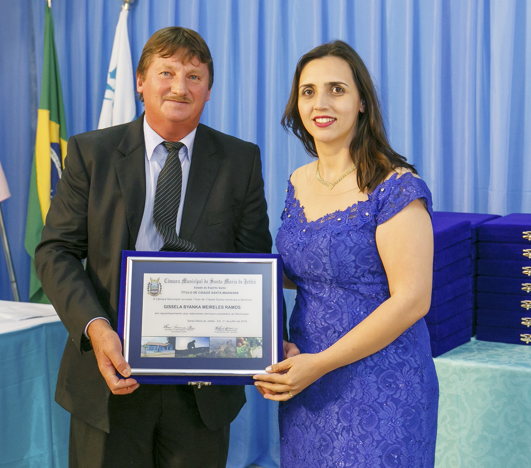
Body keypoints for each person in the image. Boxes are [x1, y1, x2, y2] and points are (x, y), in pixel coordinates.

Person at [35, 27, 272, 467]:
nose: (180, 87)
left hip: (201, 387)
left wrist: (272, 343)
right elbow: (55, 252)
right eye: (167, 73)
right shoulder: (91, 153)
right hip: (110, 376)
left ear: (208, 91)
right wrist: (97, 329)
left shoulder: (240, 161)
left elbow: (255, 263)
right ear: (140, 81)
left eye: (194, 77)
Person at [253, 40, 439, 466]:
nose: (321, 103)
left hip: (384, 384)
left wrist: (321, 363)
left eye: (336, 89)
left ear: (361, 103)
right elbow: (307, 269)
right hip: (306, 380)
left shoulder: (397, 186)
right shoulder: (298, 180)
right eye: (308, 91)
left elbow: (413, 299)